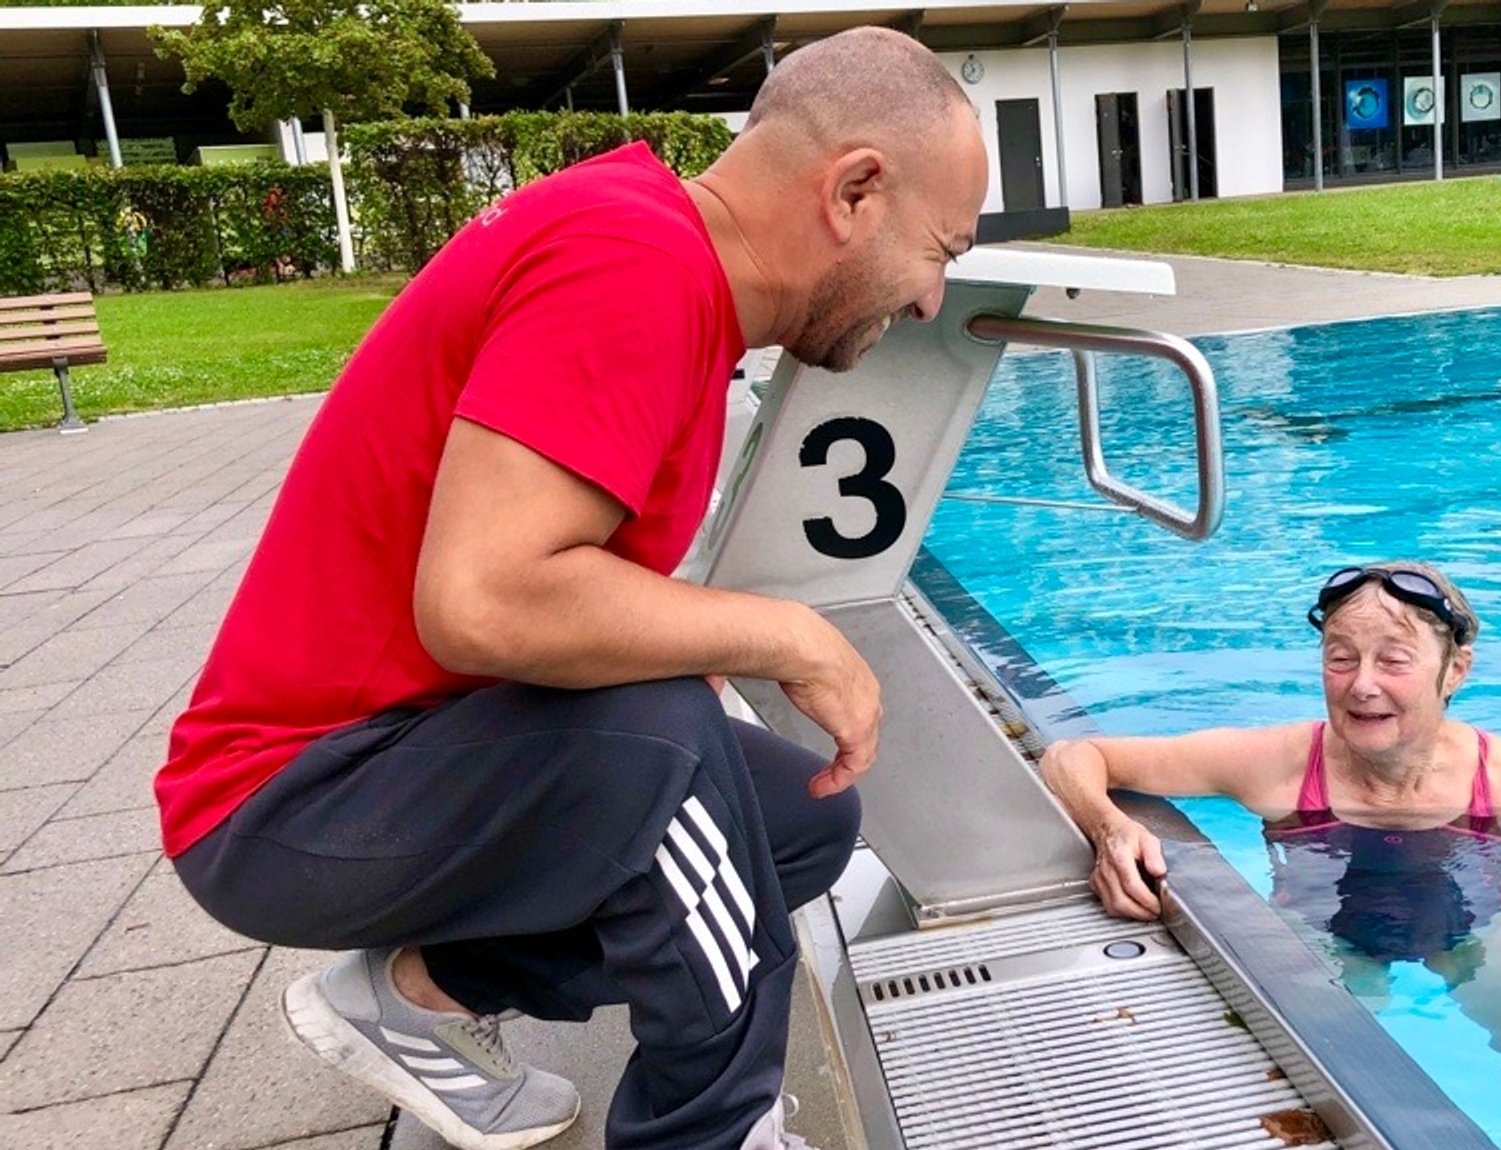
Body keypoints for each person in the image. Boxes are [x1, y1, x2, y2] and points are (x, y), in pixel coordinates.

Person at [155, 28, 988, 1150]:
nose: (933, 300)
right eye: (940, 249)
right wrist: (784, 637)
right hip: (289, 804)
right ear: (853, 190)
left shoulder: (655, 255)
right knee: (667, 738)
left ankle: (417, 995)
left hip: (403, 758)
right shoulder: (631, 261)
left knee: (800, 821)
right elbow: (490, 601)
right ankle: (715, 1129)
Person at [1041, 561, 1501, 1150]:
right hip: (1324, 926)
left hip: (1479, 923)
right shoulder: (1277, 763)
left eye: (1394, 660)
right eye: (1340, 657)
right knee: (1287, 1087)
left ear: (1455, 670)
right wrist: (1110, 828)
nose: (1362, 685)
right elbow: (1074, 756)